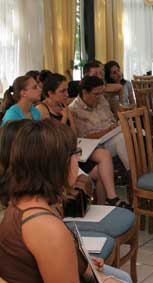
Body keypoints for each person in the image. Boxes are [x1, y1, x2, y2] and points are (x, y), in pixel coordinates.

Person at [0, 119, 131, 282]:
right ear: (58, 164)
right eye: (76, 153)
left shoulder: (20, 202)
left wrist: (84, 266)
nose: (78, 159)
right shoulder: (47, 228)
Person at [37, 73, 129, 208]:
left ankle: (109, 199)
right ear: (50, 93)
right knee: (100, 172)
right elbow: (52, 140)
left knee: (104, 154)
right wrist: (63, 118)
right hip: (58, 155)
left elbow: (73, 134)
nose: (67, 94)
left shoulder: (63, 106)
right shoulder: (42, 110)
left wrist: (68, 117)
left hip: (72, 148)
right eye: (62, 91)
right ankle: (102, 204)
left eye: (67, 90)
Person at [69, 76, 130, 172]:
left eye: (101, 93)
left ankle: (144, 167)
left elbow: (111, 119)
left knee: (136, 131)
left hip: (111, 135)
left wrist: (116, 126)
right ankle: (133, 174)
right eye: (96, 94)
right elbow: (84, 137)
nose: (99, 97)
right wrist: (109, 130)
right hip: (95, 145)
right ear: (85, 92)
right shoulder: (74, 110)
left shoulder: (101, 99)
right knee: (122, 138)